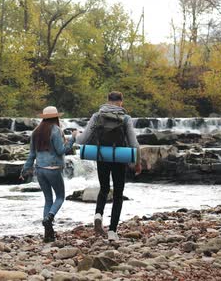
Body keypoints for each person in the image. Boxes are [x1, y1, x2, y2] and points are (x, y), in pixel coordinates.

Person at [76, 91, 141, 241]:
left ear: (107, 101)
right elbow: (134, 143)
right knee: (118, 194)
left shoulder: (97, 116)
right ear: (121, 102)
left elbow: (83, 139)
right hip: (119, 158)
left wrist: (73, 137)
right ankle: (112, 231)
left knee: (104, 188)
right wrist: (137, 163)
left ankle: (98, 215)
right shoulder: (125, 118)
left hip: (102, 156)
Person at [20, 106, 77, 242]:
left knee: (48, 200)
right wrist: (73, 139)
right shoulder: (56, 130)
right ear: (56, 117)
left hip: (39, 170)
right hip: (53, 169)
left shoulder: (36, 132)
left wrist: (24, 170)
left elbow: (32, 155)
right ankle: (49, 217)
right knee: (60, 197)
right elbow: (61, 150)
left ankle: (48, 234)